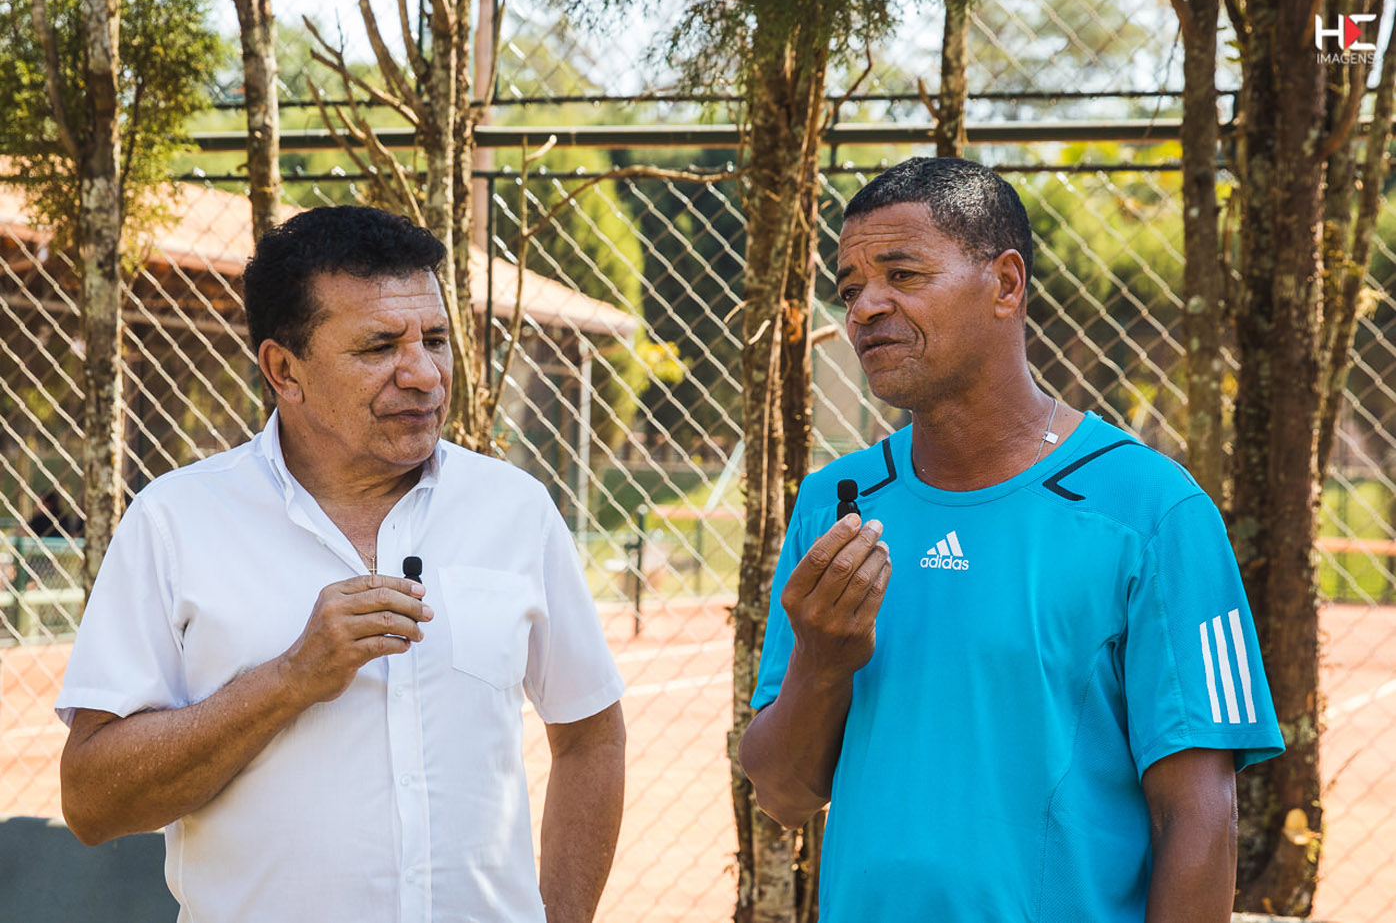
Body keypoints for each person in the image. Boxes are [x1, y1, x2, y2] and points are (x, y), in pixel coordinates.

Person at [738, 157, 1285, 923]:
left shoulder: (1154, 510)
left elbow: (1199, 818)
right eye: (850, 287)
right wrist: (822, 663)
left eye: (902, 273)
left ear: (1004, 284)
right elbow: (783, 793)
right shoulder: (836, 505)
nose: (865, 307)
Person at [55, 206, 626, 923]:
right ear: (284, 370)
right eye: (380, 346)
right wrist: (290, 679)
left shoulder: (515, 510)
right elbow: (93, 803)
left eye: (436, 339)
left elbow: (591, 737)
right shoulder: (174, 523)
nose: (424, 374)